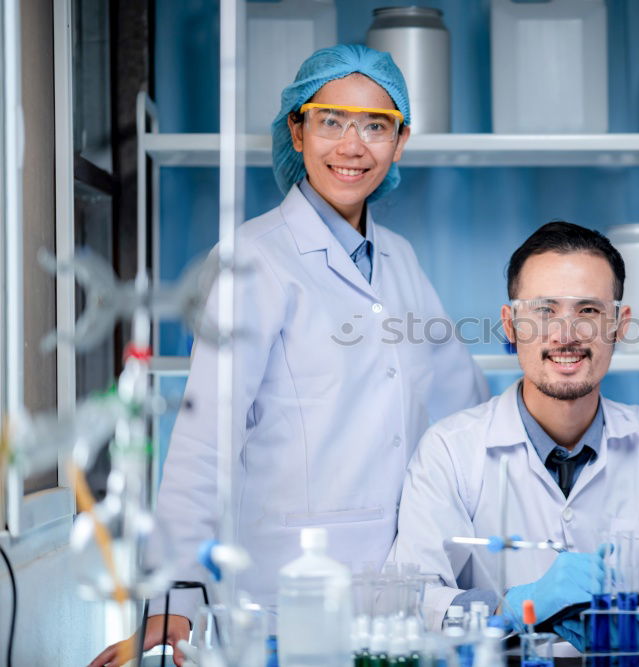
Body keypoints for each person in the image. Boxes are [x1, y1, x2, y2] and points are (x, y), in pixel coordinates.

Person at [89, 45, 488, 667]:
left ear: (400, 141)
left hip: (402, 594)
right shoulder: (254, 260)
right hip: (284, 600)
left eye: (376, 126)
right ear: (297, 131)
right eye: (331, 120)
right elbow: (203, 442)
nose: (352, 146)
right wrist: (173, 600)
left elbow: (467, 409)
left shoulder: (402, 261)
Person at [392, 221, 639, 649]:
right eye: (544, 310)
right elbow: (412, 601)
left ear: (620, 325)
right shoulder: (450, 451)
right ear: (511, 325)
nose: (565, 334)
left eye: (588, 310)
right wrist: (510, 608)